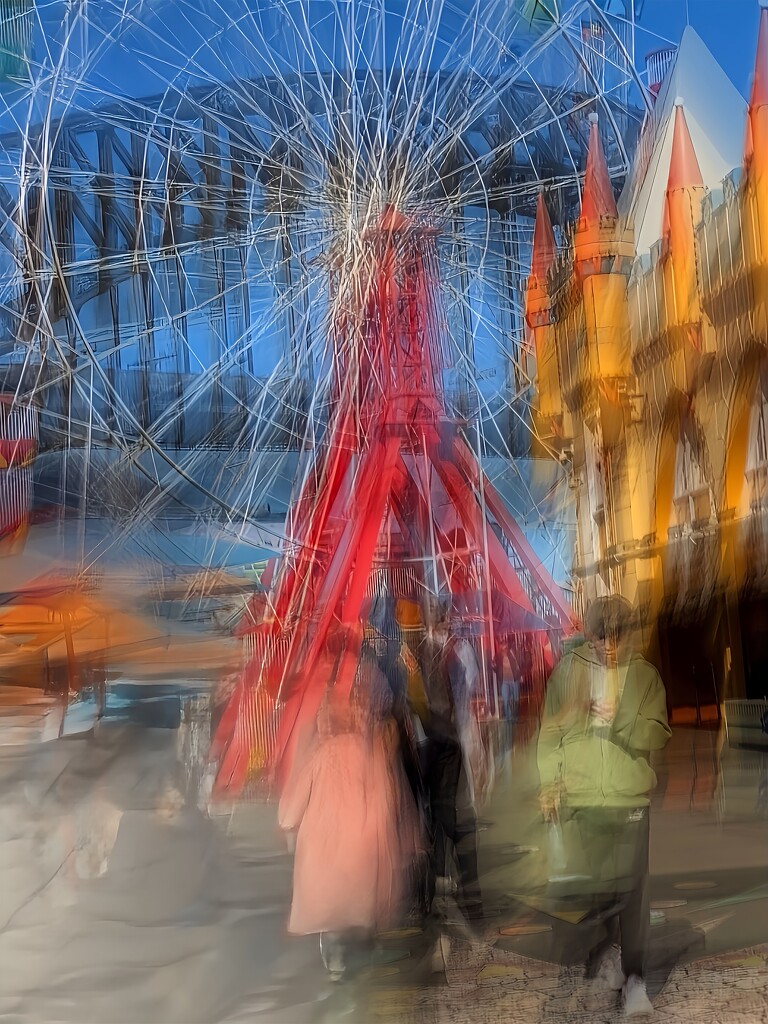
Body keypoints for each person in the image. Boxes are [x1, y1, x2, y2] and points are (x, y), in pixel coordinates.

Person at [537, 595, 672, 1017]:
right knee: (598, 893)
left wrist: (622, 720)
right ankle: (609, 953)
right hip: (583, 800)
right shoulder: (567, 673)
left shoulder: (645, 676)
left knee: (632, 895)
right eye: (601, 636)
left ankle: (635, 981)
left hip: (628, 800)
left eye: (617, 636)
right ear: (589, 634)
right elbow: (550, 733)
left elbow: (659, 732)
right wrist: (550, 784)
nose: (609, 646)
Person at [278, 644, 419, 982]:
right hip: (362, 829)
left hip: (323, 832)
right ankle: (361, 948)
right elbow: (384, 790)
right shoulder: (369, 749)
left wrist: (287, 820)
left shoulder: (322, 749)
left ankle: (335, 954)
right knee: (358, 894)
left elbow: (298, 792)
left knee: (329, 896)